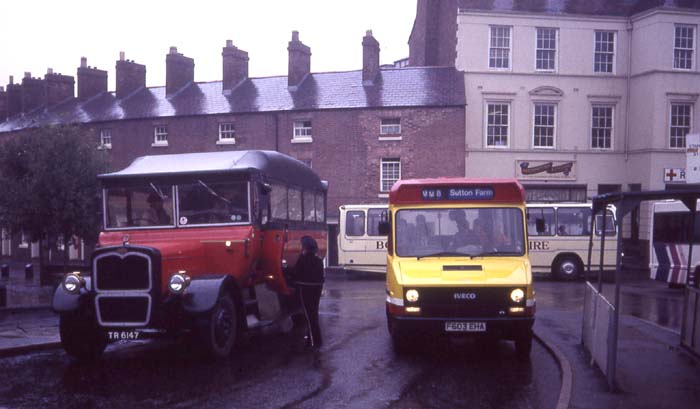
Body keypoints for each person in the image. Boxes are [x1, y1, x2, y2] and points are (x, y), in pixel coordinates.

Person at [291, 236, 325, 349]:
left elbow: (296, 273)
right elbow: (321, 277)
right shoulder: (319, 260)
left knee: (309, 316)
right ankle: (315, 339)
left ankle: (314, 342)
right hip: (317, 289)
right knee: (313, 313)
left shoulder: (302, 260)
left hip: (305, 289)